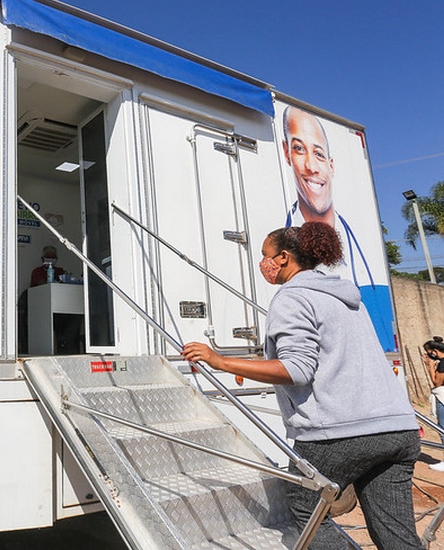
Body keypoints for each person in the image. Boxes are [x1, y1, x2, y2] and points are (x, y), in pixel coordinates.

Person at [182, 222, 421, 549]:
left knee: (303, 505)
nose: (262, 263)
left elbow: (297, 369)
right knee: (397, 537)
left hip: (339, 433)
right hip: (397, 427)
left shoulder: (291, 298)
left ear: (282, 257)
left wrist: (220, 360)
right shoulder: (348, 298)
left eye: (265, 255)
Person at [282, 105, 396, 353]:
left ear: (331, 164)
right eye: (299, 149)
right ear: (286, 154)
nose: (311, 166)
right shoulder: (284, 243)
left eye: (319, 154)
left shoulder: (366, 266)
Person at [424, 336, 444, 471]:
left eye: (429, 352)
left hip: (442, 397)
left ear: (435, 351)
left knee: (442, 428)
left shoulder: (442, 364)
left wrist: (430, 366)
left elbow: (437, 382)